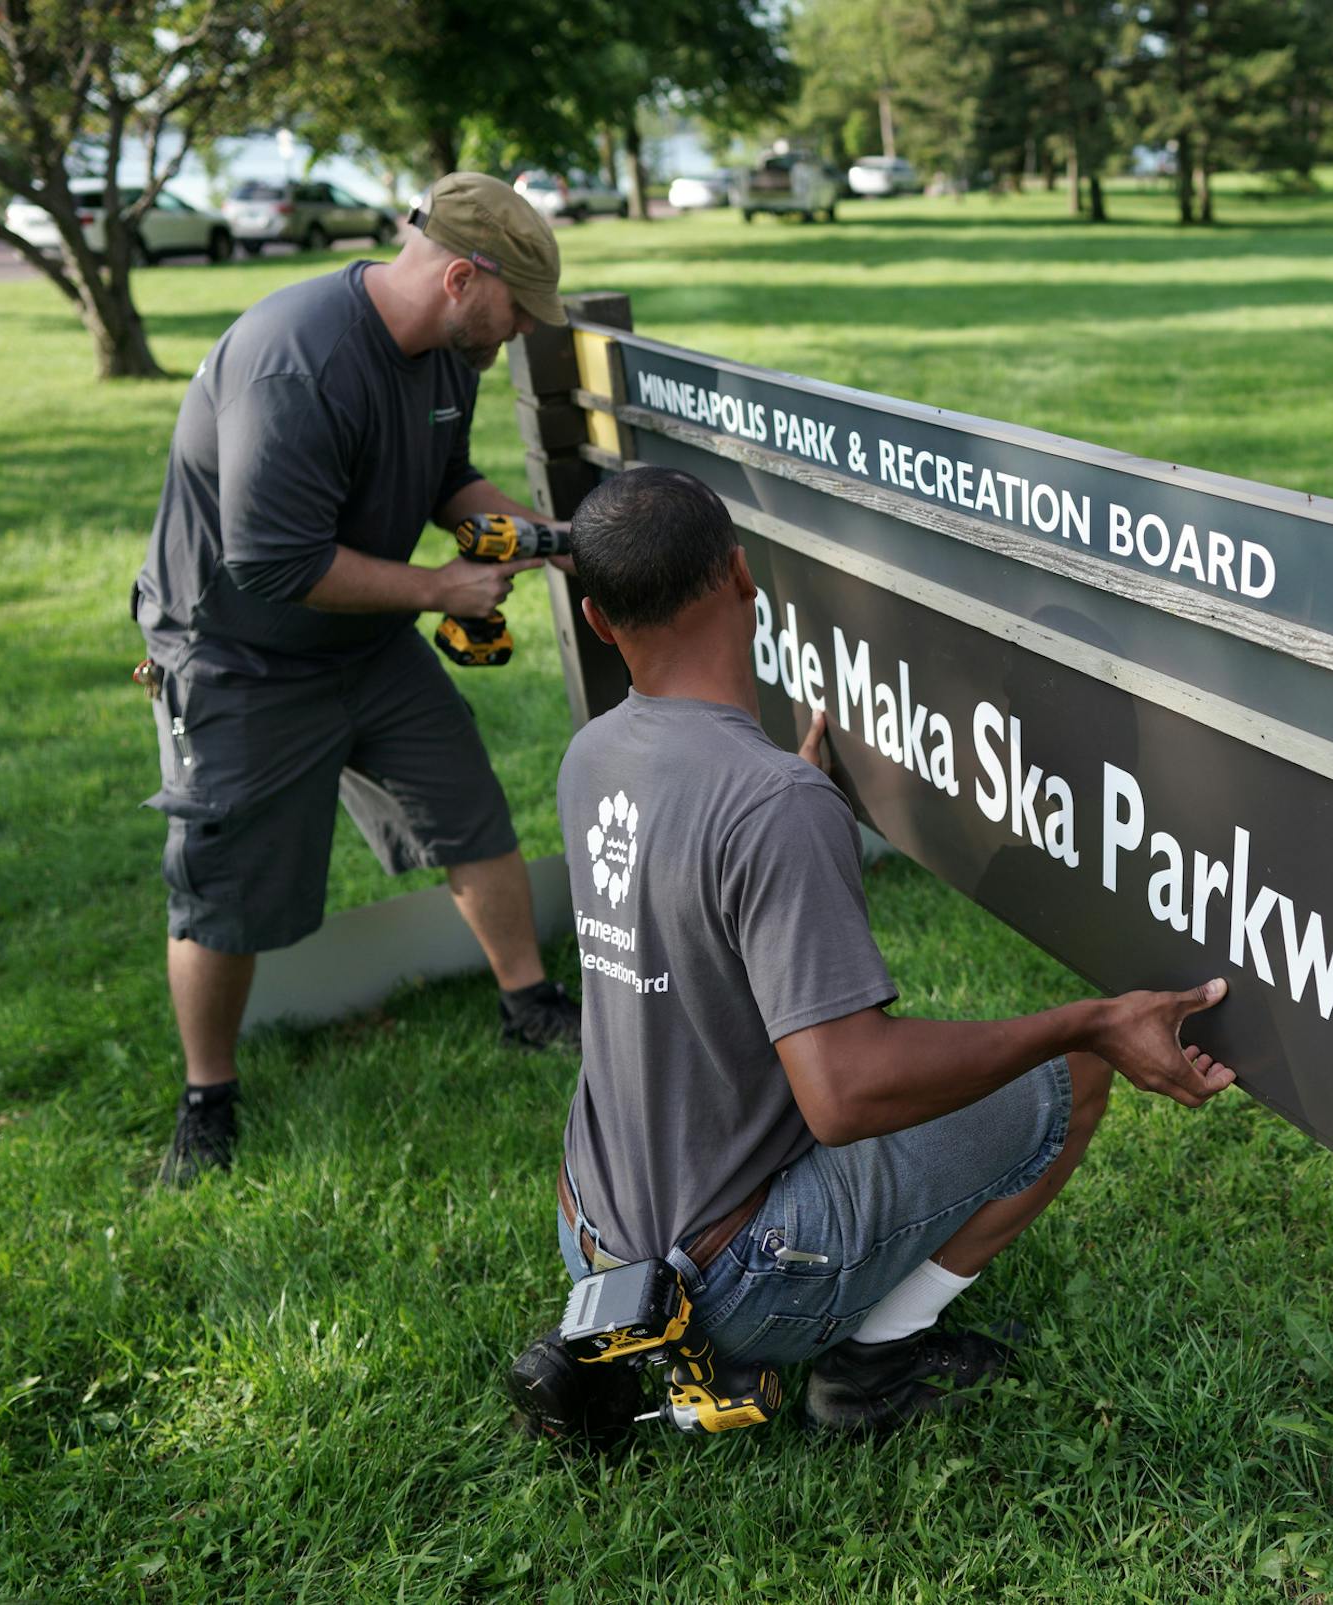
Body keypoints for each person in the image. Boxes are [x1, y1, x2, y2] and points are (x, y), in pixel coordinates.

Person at [506, 467, 1238, 1438]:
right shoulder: (771, 805)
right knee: (1072, 1077)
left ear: (597, 621)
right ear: (740, 576)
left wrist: (794, 818)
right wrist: (1090, 1020)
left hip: (593, 1246)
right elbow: (844, 1094)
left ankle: (681, 1333)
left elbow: (697, 903)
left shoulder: (592, 754)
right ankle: (874, 1364)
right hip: (735, 1280)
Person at [132, 172, 582, 1187]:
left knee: (469, 810)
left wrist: (559, 543)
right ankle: (209, 1097)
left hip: (364, 642)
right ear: (464, 278)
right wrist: (439, 589)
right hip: (237, 657)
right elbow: (275, 563)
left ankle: (529, 1005)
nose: (517, 333)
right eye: (517, 311)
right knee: (223, 885)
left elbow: (445, 479)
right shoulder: (296, 363)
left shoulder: (445, 352)